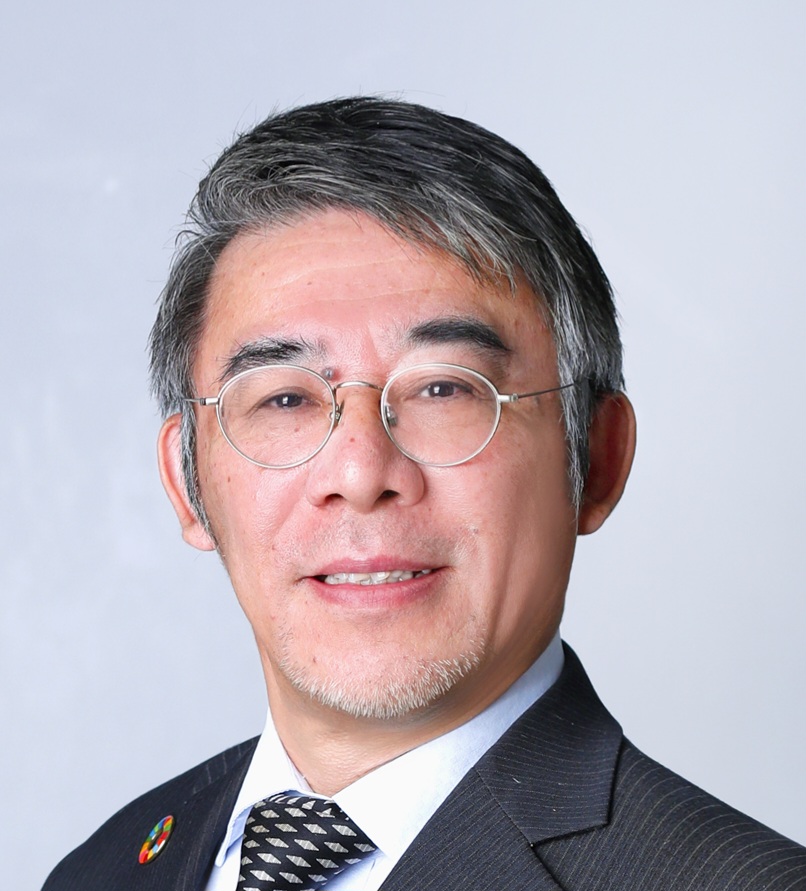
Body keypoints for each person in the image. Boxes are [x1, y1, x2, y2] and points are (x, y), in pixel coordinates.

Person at [43, 97, 805, 891]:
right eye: (285, 398)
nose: (360, 473)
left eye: (445, 389)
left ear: (598, 458)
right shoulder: (102, 870)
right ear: (187, 482)